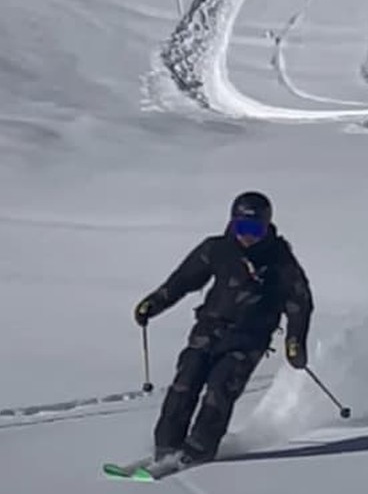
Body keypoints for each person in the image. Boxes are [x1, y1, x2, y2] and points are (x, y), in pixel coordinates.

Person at [132, 191, 314, 465]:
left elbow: (299, 303)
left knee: (220, 389)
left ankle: (199, 450)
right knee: (185, 383)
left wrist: (295, 342)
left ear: (267, 227)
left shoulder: (280, 261)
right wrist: (153, 303)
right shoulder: (217, 249)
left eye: (255, 229)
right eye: (242, 227)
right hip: (209, 329)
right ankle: (166, 447)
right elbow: (183, 281)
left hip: (248, 338)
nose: (247, 235)